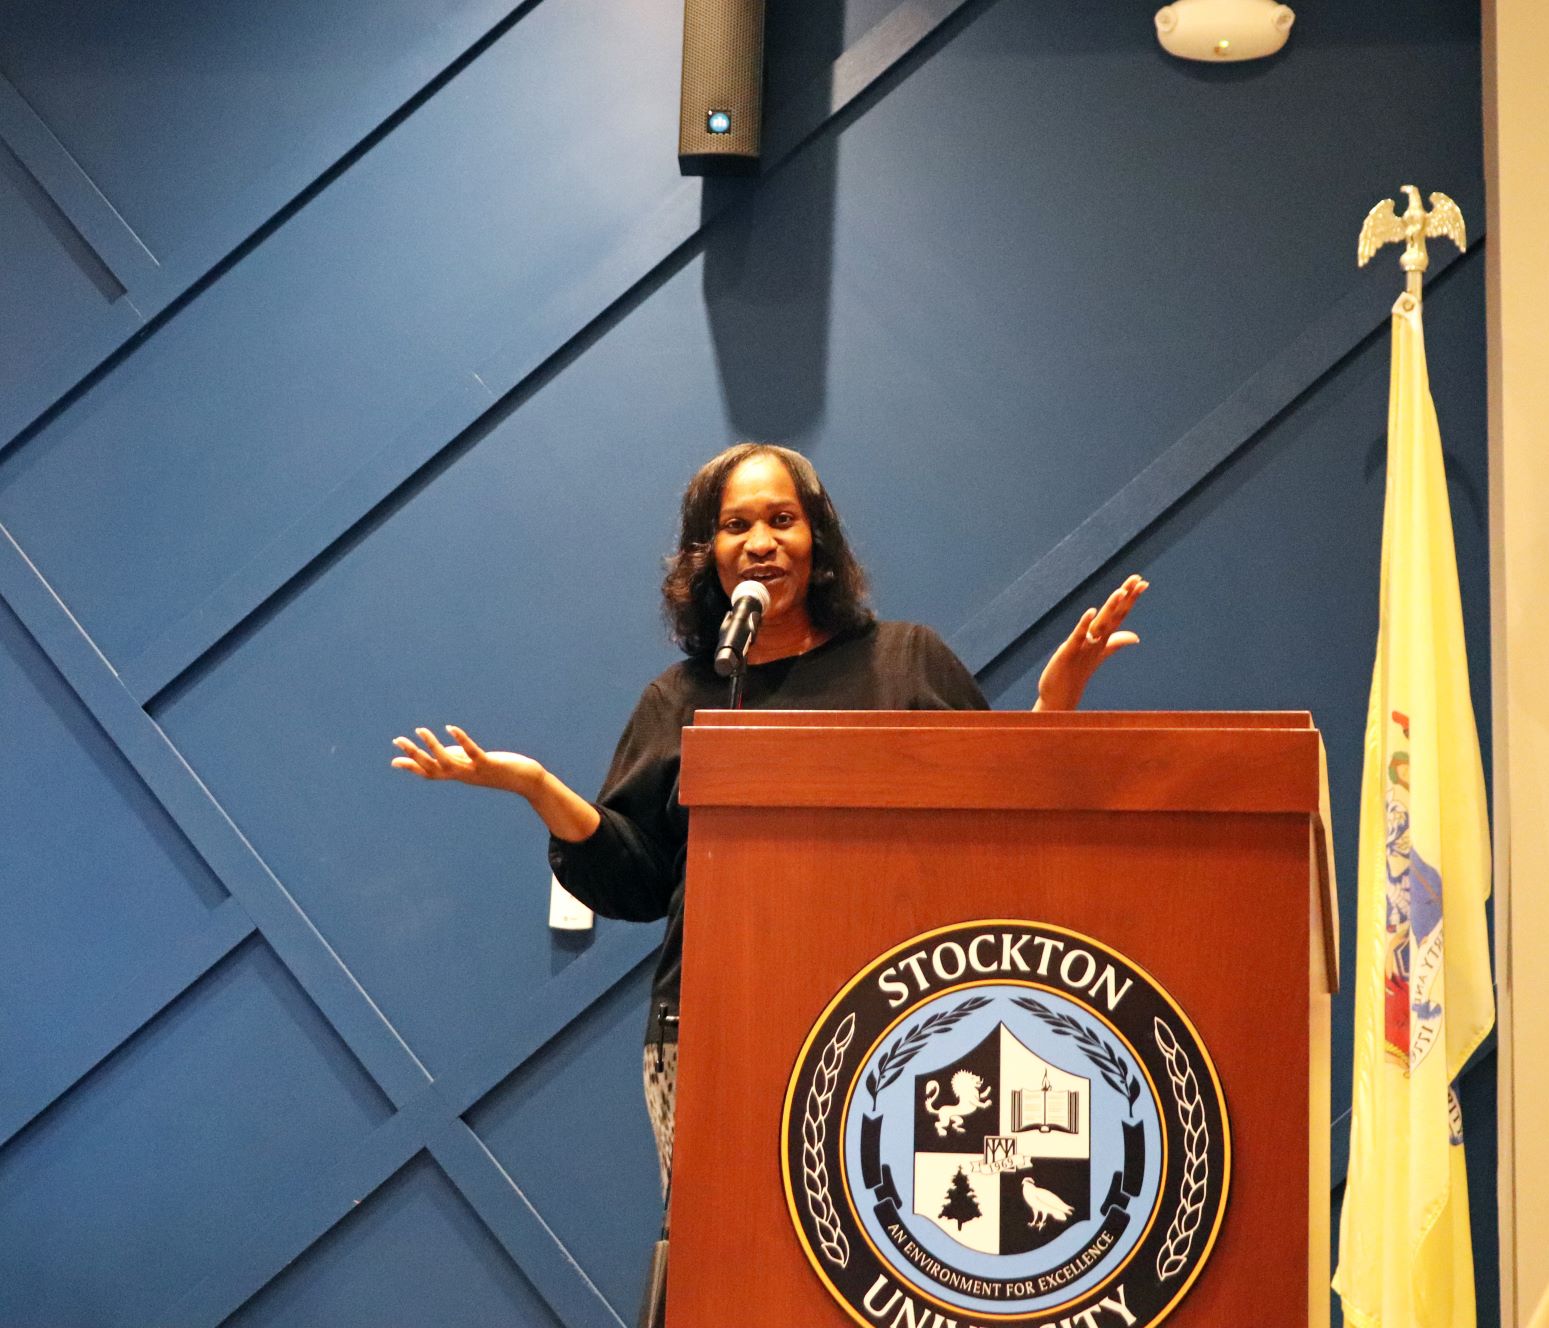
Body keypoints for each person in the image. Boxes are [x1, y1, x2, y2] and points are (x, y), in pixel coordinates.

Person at [391, 443, 1146, 1190]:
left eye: (781, 519)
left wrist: (1054, 707)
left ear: (817, 539)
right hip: (710, 1025)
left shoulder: (906, 661)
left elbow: (996, 822)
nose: (759, 543)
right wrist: (536, 786)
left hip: (899, 1023)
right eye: (734, 525)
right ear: (705, 555)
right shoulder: (678, 698)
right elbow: (639, 884)